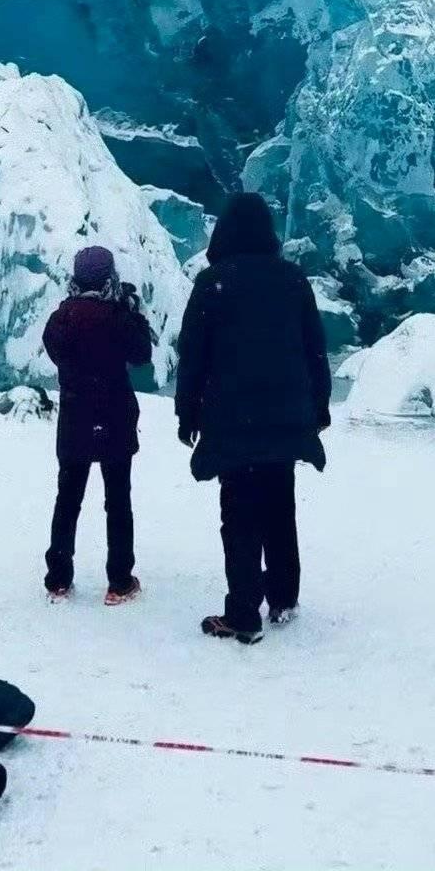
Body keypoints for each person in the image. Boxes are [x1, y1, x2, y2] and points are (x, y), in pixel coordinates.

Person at [174, 192, 331, 645]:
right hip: (285, 416)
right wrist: (318, 407)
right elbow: (314, 349)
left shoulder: (213, 282)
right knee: (280, 505)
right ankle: (283, 596)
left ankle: (243, 612)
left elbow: (193, 356)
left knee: (239, 513)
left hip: (232, 417)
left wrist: (187, 411)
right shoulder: (292, 280)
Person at [42, 245, 153, 605]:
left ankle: (58, 578)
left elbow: (57, 351)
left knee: (68, 499)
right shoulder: (119, 317)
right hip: (115, 417)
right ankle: (119, 581)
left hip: (75, 417)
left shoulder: (61, 319)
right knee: (118, 500)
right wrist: (131, 313)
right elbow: (141, 355)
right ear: (110, 278)